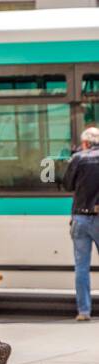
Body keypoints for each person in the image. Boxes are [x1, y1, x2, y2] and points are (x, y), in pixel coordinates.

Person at [65, 126, 99, 322]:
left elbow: (68, 184)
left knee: (82, 267)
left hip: (80, 218)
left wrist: (74, 156)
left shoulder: (79, 158)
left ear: (85, 142)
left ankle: (84, 311)